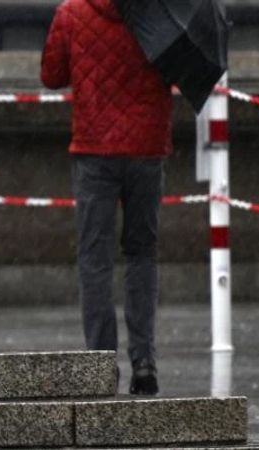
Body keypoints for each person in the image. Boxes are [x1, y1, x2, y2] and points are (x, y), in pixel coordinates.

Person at [41, 0, 173, 396]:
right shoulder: (161, 12)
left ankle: (100, 362)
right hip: (147, 150)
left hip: (95, 151)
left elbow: (52, 76)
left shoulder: (72, 12)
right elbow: (176, 67)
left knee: (94, 259)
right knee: (142, 253)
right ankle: (144, 360)